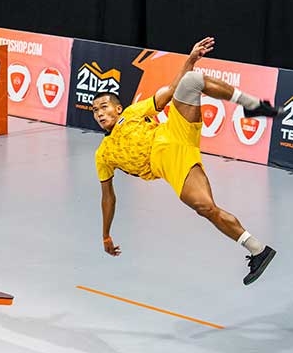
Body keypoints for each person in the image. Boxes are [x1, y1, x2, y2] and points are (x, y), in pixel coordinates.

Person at [93, 36, 278, 285]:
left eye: (104, 106)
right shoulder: (103, 154)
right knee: (206, 208)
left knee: (191, 81)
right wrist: (106, 234)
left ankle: (251, 104)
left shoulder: (132, 112)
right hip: (172, 164)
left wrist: (190, 59)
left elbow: (170, 91)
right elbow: (108, 196)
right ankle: (258, 250)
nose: (99, 112)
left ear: (117, 108)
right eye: (95, 110)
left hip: (175, 131)